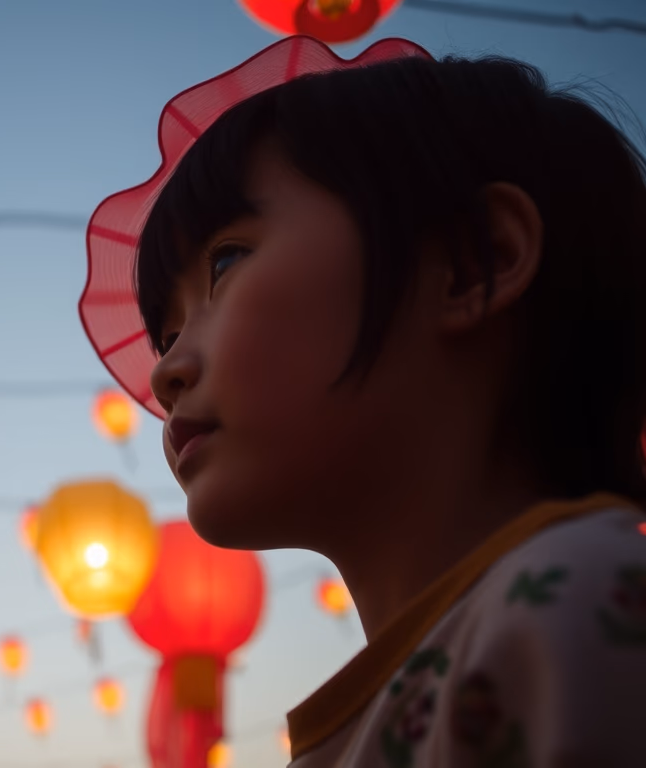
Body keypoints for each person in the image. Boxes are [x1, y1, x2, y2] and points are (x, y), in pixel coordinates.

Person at [80, 35, 646, 767]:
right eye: (167, 334)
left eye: (226, 263)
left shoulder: (580, 608)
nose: (166, 375)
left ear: (476, 262)